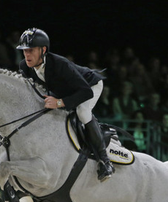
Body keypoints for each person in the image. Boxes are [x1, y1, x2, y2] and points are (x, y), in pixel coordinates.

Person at [16, 27, 114, 182]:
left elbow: (85, 92)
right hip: (65, 90)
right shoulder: (24, 67)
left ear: (43, 50)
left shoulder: (60, 64)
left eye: (31, 50)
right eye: (24, 51)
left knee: (83, 112)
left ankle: (105, 161)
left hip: (90, 85)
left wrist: (60, 102)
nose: (27, 55)